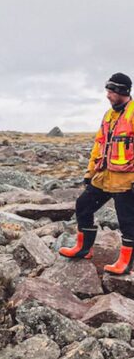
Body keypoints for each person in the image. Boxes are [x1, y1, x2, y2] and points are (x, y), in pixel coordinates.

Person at [59, 73, 134, 275]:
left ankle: (126, 263)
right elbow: (99, 145)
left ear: (122, 92)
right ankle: (84, 248)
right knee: (83, 205)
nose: (108, 95)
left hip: (127, 179)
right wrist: (89, 172)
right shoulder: (108, 115)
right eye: (108, 91)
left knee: (127, 220)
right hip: (104, 176)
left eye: (111, 91)